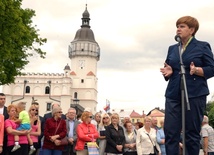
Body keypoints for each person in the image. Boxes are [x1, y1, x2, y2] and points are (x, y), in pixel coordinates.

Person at [160, 15, 214, 155]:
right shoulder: (172, 48)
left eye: (182, 26)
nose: (178, 29)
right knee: (171, 132)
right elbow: (169, 66)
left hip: (195, 93)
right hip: (173, 93)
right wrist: (169, 72)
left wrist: (197, 70)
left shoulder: (202, 46)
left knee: (191, 133)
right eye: (177, 26)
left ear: (192, 30)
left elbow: (212, 68)